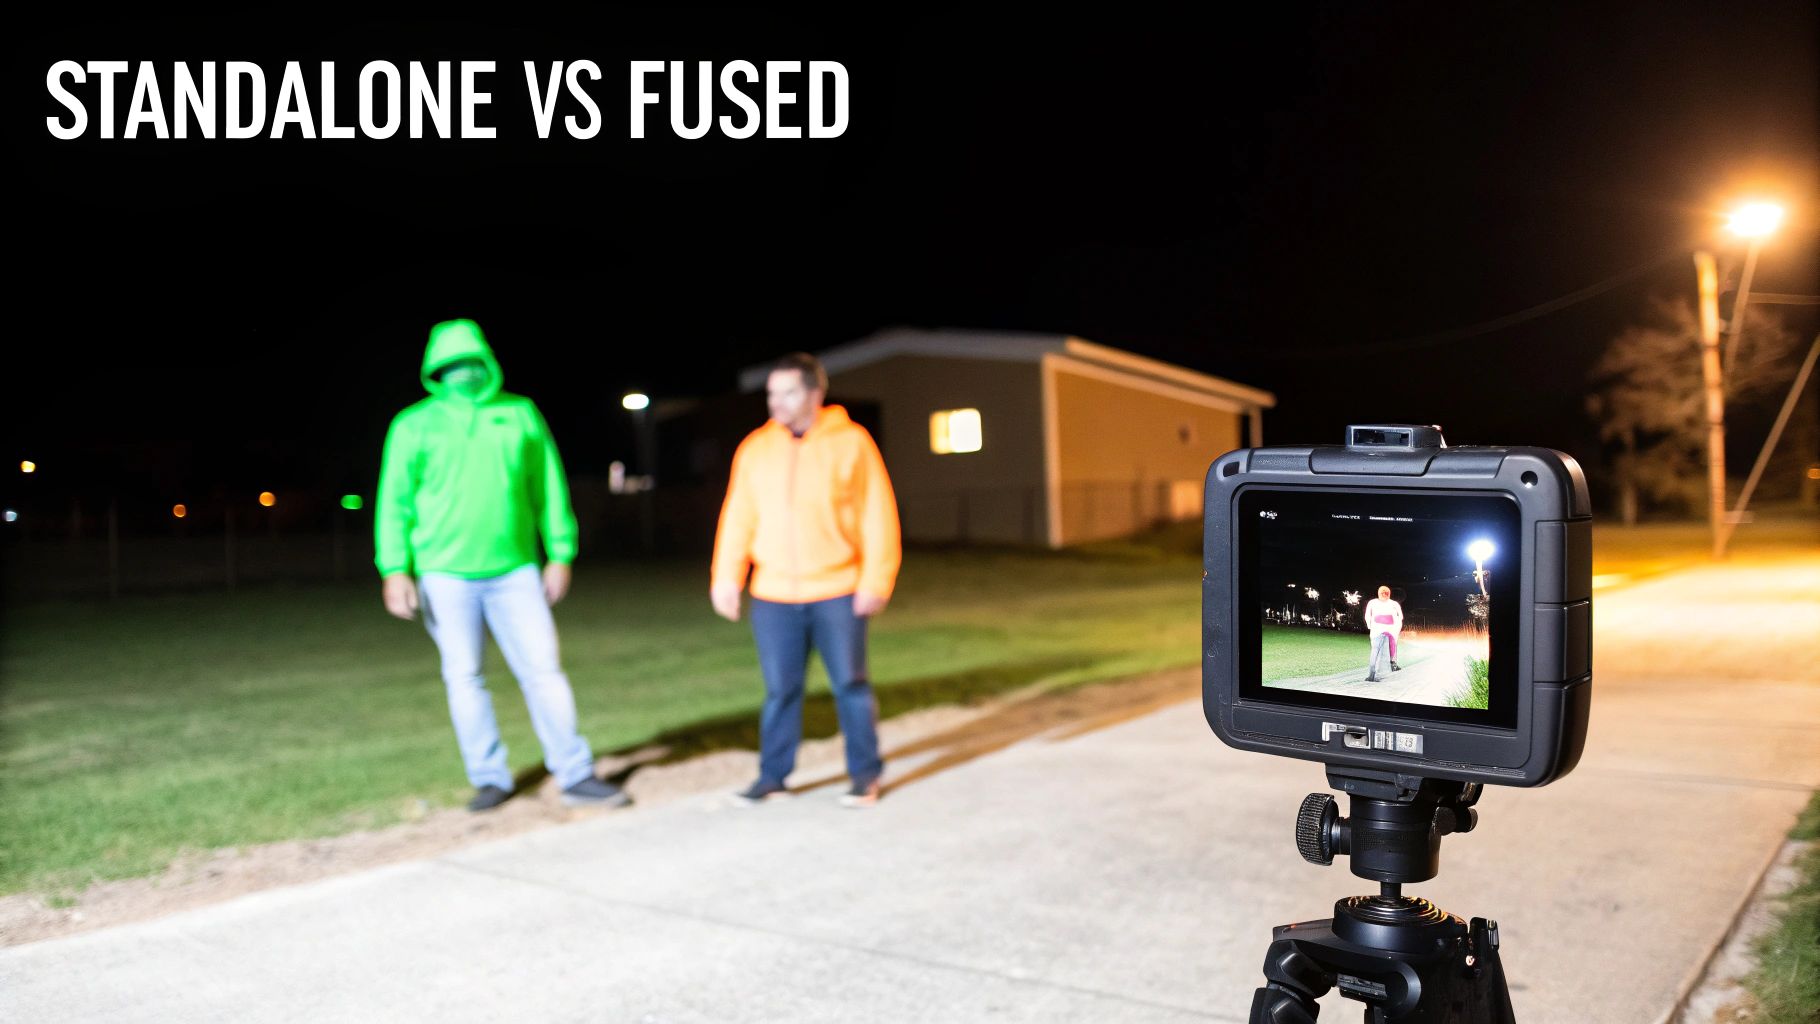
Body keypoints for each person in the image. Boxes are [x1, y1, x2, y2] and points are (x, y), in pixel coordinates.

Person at [375, 318, 628, 812]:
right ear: (434, 369)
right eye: (451, 365)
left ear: (487, 360)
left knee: (544, 671)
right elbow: (394, 503)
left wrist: (560, 552)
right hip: (444, 574)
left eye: (471, 362)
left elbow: (548, 487)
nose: (462, 372)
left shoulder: (519, 414)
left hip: (516, 570)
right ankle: (490, 777)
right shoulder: (413, 425)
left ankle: (574, 774)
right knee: (464, 677)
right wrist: (394, 568)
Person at [710, 352, 902, 808]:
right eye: (772, 393)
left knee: (850, 685)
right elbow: (737, 517)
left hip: (838, 589)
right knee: (780, 690)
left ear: (815, 394)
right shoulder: (755, 448)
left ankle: (864, 774)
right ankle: (772, 777)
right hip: (773, 594)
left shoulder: (852, 442)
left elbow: (879, 514)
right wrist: (726, 578)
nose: (776, 401)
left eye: (788, 392)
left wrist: (877, 579)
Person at [1363, 585, 1403, 682]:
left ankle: (1391, 664)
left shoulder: (1394, 603)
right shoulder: (1373, 602)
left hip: (1388, 628)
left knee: (1389, 646)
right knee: (1377, 649)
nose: (1385, 594)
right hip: (1380, 628)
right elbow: (1367, 615)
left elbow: (1400, 616)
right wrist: (1370, 626)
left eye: (1386, 593)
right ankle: (1373, 672)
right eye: (1383, 592)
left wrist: (1397, 627)